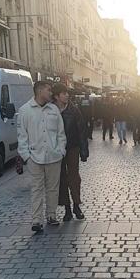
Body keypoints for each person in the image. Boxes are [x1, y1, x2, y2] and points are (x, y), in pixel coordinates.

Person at [16, 80, 67, 233]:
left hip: (53, 156)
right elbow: (21, 136)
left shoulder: (54, 110)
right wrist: (27, 157)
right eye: (48, 90)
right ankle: (36, 220)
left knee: (53, 188)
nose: (51, 93)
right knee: (36, 188)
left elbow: (60, 133)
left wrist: (60, 150)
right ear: (39, 91)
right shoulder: (25, 110)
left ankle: (51, 215)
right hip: (34, 157)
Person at [53, 84, 87, 221]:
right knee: (61, 178)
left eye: (67, 93)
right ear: (56, 96)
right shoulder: (50, 110)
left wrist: (84, 150)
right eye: (63, 93)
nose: (67, 95)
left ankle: (77, 205)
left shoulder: (74, 110)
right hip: (56, 149)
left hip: (72, 147)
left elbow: (82, 131)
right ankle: (66, 208)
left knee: (74, 177)